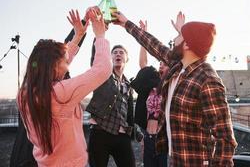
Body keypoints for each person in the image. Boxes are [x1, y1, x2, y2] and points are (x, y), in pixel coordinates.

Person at [113, 11, 238, 166]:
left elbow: (225, 138)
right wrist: (126, 23)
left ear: (186, 44)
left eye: (179, 36)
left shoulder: (207, 79)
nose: (174, 39)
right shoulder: (177, 67)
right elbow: (154, 45)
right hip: (176, 160)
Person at [17, 8, 112, 167]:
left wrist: (78, 35)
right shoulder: (59, 93)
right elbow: (103, 69)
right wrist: (100, 35)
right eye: (64, 63)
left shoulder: (25, 93)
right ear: (53, 67)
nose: (67, 68)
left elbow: (62, 60)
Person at [10, 12, 89, 167]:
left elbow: (67, 53)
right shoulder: (35, 91)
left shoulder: (49, 80)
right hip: (31, 155)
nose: (66, 64)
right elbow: (64, 52)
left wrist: (79, 33)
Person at [86, 41, 135, 167]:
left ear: (126, 58)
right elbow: (95, 58)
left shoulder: (128, 85)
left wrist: (134, 133)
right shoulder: (103, 74)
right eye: (114, 53)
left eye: (121, 52)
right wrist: (99, 36)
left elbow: (129, 113)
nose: (118, 54)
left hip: (122, 135)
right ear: (110, 58)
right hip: (100, 132)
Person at [130, 20, 168, 167]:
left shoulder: (172, 85)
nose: (161, 64)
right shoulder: (152, 82)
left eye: (165, 63)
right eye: (160, 63)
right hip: (148, 136)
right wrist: (142, 38)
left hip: (164, 138)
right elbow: (143, 65)